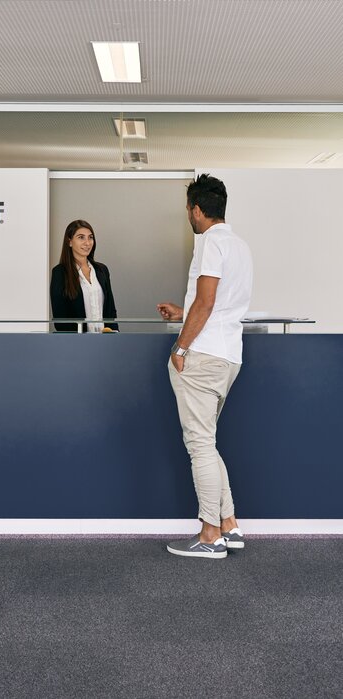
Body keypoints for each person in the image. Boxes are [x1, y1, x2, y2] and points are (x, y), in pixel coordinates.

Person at [157, 173, 253, 560]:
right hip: (229, 356)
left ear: (197, 210)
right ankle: (229, 524)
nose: (188, 216)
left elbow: (208, 301)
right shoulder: (240, 245)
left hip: (204, 356)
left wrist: (181, 346)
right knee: (207, 444)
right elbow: (220, 305)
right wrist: (185, 313)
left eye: (188, 210)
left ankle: (209, 535)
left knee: (199, 445)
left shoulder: (210, 242)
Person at [50, 219, 118, 333]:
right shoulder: (60, 273)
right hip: (77, 343)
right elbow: (60, 319)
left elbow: (111, 310)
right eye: (81, 237)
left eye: (90, 237)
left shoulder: (102, 270)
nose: (87, 243)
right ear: (70, 242)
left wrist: (113, 335)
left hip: (106, 340)